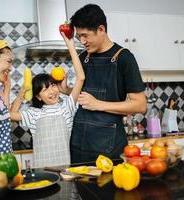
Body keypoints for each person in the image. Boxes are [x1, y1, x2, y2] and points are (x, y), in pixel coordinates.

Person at [59, 4, 147, 163]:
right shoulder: (83, 57)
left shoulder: (124, 58)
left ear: (101, 29)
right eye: (79, 36)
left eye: (85, 35)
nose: (82, 41)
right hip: (79, 144)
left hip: (109, 148)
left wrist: (99, 104)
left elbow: (140, 105)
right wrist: (67, 90)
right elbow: (86, 98)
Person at [10, 32, 85, 168]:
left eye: (53, 86)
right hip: (42, 170)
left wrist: (70, 45)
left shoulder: (67, 106)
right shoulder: (33, 113)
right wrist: (22, 92)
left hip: (66, 168)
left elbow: (80, 78)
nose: (51, 91)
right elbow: (10, 115)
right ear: (38, 96)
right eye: (45, 90)